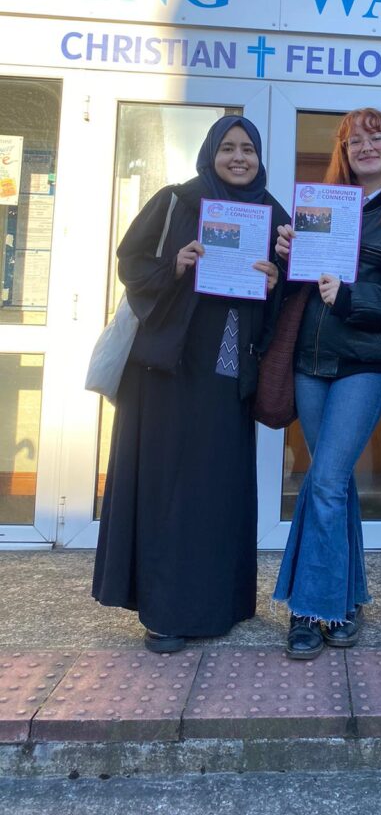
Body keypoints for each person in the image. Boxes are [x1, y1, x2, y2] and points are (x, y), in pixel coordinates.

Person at [92, 116, 289, 653]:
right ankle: (167, 612)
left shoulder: (272, 213)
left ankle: (221, 602)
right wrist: (174, 266)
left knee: (218, 486)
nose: (239, 157)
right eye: (228, 148)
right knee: (169, 488)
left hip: (228, 371)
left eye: (248, 148)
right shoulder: (178, 200)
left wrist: (277, 279)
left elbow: (292, 294)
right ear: (210, 153)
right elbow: (130, 264)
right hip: (168, 371)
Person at [272, 107, 381, 659]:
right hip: (311, 363)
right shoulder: (321, 208)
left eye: (376, 138)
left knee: (323, 482)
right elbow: (297, 290)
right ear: (342, 152)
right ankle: (345, 599)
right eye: (353, 140)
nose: (364, 147)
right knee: (333, 485)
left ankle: (306, 608)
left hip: (365, 365)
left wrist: (347, 293)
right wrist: (290, 256)